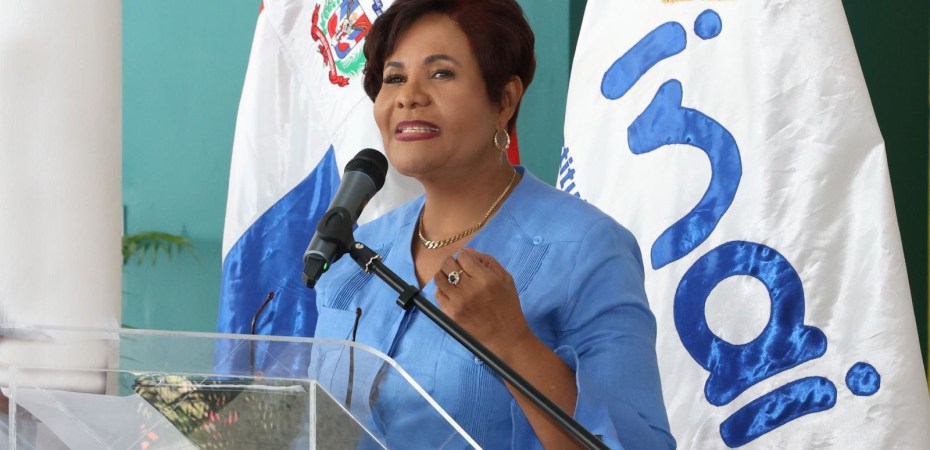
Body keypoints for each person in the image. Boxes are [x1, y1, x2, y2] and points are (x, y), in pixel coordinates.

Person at [312, 0, 675, 448]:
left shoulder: (588, 247)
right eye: (394, 78)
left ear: (505, 99)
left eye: (440, 73)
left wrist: (513, 342)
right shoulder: (357, 253)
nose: (409, 96)